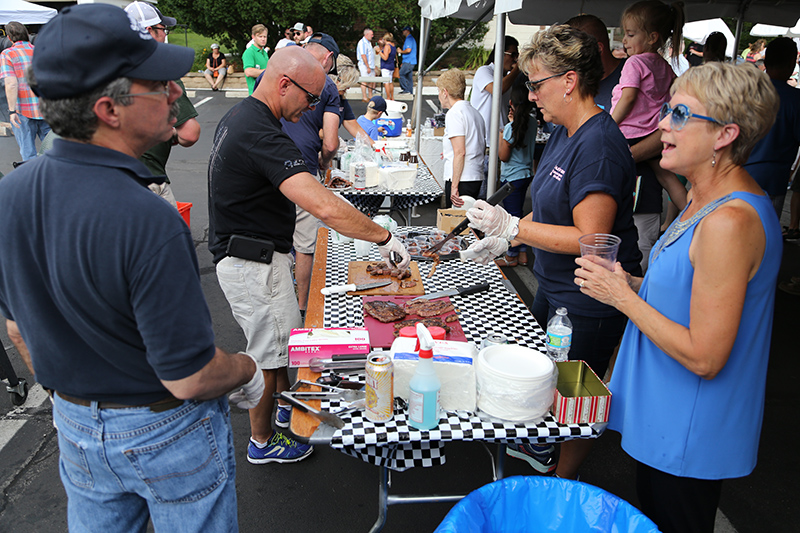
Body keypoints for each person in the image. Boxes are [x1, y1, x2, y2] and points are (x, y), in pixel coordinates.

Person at [0, 5, 264, 531]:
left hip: (75, 425)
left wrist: (70, 400)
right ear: (108, 109)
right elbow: (190, 377)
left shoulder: (10, 194)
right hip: (164, 429)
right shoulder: (148, 218)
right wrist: (247, 370)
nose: (173, 93)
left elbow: (16, 327)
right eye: (156, 83)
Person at [574, 62, 780, 533]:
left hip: (689, 433)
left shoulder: (730, 221)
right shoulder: (702, 198)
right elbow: (691, 296)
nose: (662, 123)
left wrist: (622, 300)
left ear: (726, 134)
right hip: (668, 419)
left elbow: (706, 356)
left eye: (680, 114)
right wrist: (628, 286)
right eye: (667, 109)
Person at [208, 46, 410, 465]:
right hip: (253, 261)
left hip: (255, 255)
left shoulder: (244, 116)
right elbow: (322, 205)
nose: (313, 107)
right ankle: (262, 442)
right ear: (284, 83)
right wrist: (383, 238)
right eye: (310, 97)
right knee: (269, 353)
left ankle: (281, 407)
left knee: (281, 344)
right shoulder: (259, 131)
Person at [464, 25, 642, 478]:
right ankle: (546, 455)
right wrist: (509, 238)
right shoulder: (564, 131)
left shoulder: (598, 145)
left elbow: (591, 239)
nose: (531, 94)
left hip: (587, 300)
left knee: (575, 399)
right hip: (555, 286)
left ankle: (563, 484)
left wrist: (514, 226)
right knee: (545, 385)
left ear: (569, 81)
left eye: (536, 83)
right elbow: (551, 214)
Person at [567, 13, 669, 272]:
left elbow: (666, 128)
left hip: (640, 198)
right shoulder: (580, 83)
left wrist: (617, 156)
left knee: (636, 272)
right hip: (590, 205)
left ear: (595, 49)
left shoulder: (637, 70)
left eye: (571, 51)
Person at [280, 33, 342, 321]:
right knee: (304, 244)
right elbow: (331, 143)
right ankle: (301, 306)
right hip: (303, 167)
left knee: (275, 236)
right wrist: (324, 164)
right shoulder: (327, 84)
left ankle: (278, 300)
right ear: (328, 58)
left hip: (268, 163)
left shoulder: (280, 70)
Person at [611, 0, 688, 218]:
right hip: (654, 134)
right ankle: (693, 216)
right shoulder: (664, 65)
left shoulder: (634, 63)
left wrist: (609, 123)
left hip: (629, 134)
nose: (624, 40)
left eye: (631, 34)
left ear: (652, 37)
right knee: (668, 178)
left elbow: (628, 97)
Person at [125, 1, 201, 208]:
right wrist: (171, 133)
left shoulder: (111, 67)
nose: (165, 34)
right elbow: (189, 134)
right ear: (149, 31)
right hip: (147, 177)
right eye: (162, 29)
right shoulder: (159, 69)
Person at [745, 37, 800, 218]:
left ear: (766, 61)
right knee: (766, 238)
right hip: (774, 180)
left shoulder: (745, 92)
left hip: (738, 175)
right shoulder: (794, 100)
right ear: (792, 62)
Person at [495, 83, 538, 268]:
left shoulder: (511, 128)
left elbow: (502, 156)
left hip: (511, 177)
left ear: (510, 103)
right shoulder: (532, 123)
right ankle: (522, 254)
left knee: (512, 219)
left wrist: (503, 132)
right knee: (519, 215)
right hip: (526, 174)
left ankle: (511, 255)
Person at [1, 21, 51, 161]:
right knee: (52, 149)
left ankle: (35, 181)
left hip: (22, 110)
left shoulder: (8, 54)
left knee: (28, 153)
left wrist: (11, 111)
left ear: (9, 38)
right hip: (45, 107)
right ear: (27, 34)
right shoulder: (40, 51)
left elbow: (11, 84)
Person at [436, 69, 486, 208]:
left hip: (462, 178)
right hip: (475, 175)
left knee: (455, 224)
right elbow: (474, 144)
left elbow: (460, 152)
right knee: (469, 221)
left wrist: (454, 186)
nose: (439, 95)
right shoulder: (474, 112)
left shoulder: (454, 113)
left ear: (445, 92)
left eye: (439, 91)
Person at [470, 36, 520, 150]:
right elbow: (497, 90)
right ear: (500, 53)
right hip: (484, 141)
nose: (515, 59)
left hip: (500, 140)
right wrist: (516, 71)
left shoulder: (508, 78)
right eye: (512, 55)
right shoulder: (484, 71)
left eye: (517, 56)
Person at [331, 56, 373, 143]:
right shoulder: (320, 97)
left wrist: (375, 146)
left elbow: (354, 127)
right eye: (345, 83)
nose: (348, 88)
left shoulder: (341, 100)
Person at [243, 24, 269, 95]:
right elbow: (248, 72)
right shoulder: (249, 52)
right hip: (256, 95)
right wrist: (269, 72)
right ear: (253, 37)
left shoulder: (264, 52)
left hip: (267, 93)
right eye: (260, 36)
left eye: (265, 37)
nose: (263, 39)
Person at [357, 28, 375, 102]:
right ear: (367, 35)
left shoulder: (368, 43)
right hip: (364, 65)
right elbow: (363, 55)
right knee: (364, 80)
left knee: (371, 81)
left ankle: (370, 95)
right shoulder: (362, 43)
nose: (372, 36)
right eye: (371, 34)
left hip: (371, 65)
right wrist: (367, 66)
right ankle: (364, 96)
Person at [377, 33, 397, 100]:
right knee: (390, 82)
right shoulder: (393, 46)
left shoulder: (387, 46)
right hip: (391, 65)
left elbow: (385, 57)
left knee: (386, 82)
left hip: (386, 66)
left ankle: (388, 97)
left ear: (385, 39)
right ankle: (392, 97)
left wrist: (379, 52)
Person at [398, 26, 417, 95]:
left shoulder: (409, 39)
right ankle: (410, 91)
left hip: (409, 61)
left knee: (400, 74)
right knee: (409, 77)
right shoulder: (410, 39)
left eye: (404, 30)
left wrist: (401, 51)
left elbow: (408, 50)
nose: (403, 32)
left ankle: (406, 89)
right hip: (410, 61)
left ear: (407, 31)